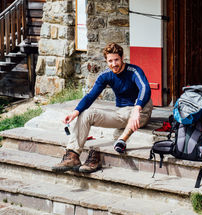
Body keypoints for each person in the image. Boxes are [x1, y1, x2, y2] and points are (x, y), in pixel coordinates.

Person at [52, 42, 153, 173]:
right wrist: (75, 112)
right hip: (121, 113)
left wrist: (137, 109)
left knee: (131, 113)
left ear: (122, 58)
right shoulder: (106, 75)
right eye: (110, 61)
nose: (114, 64)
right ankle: (72, 155)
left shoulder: (133, 71)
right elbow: (90, 96)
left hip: (141, 110)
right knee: (86, 113)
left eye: (116, 60)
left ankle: (123, 136)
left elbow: (145, 88)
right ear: (106, 61)